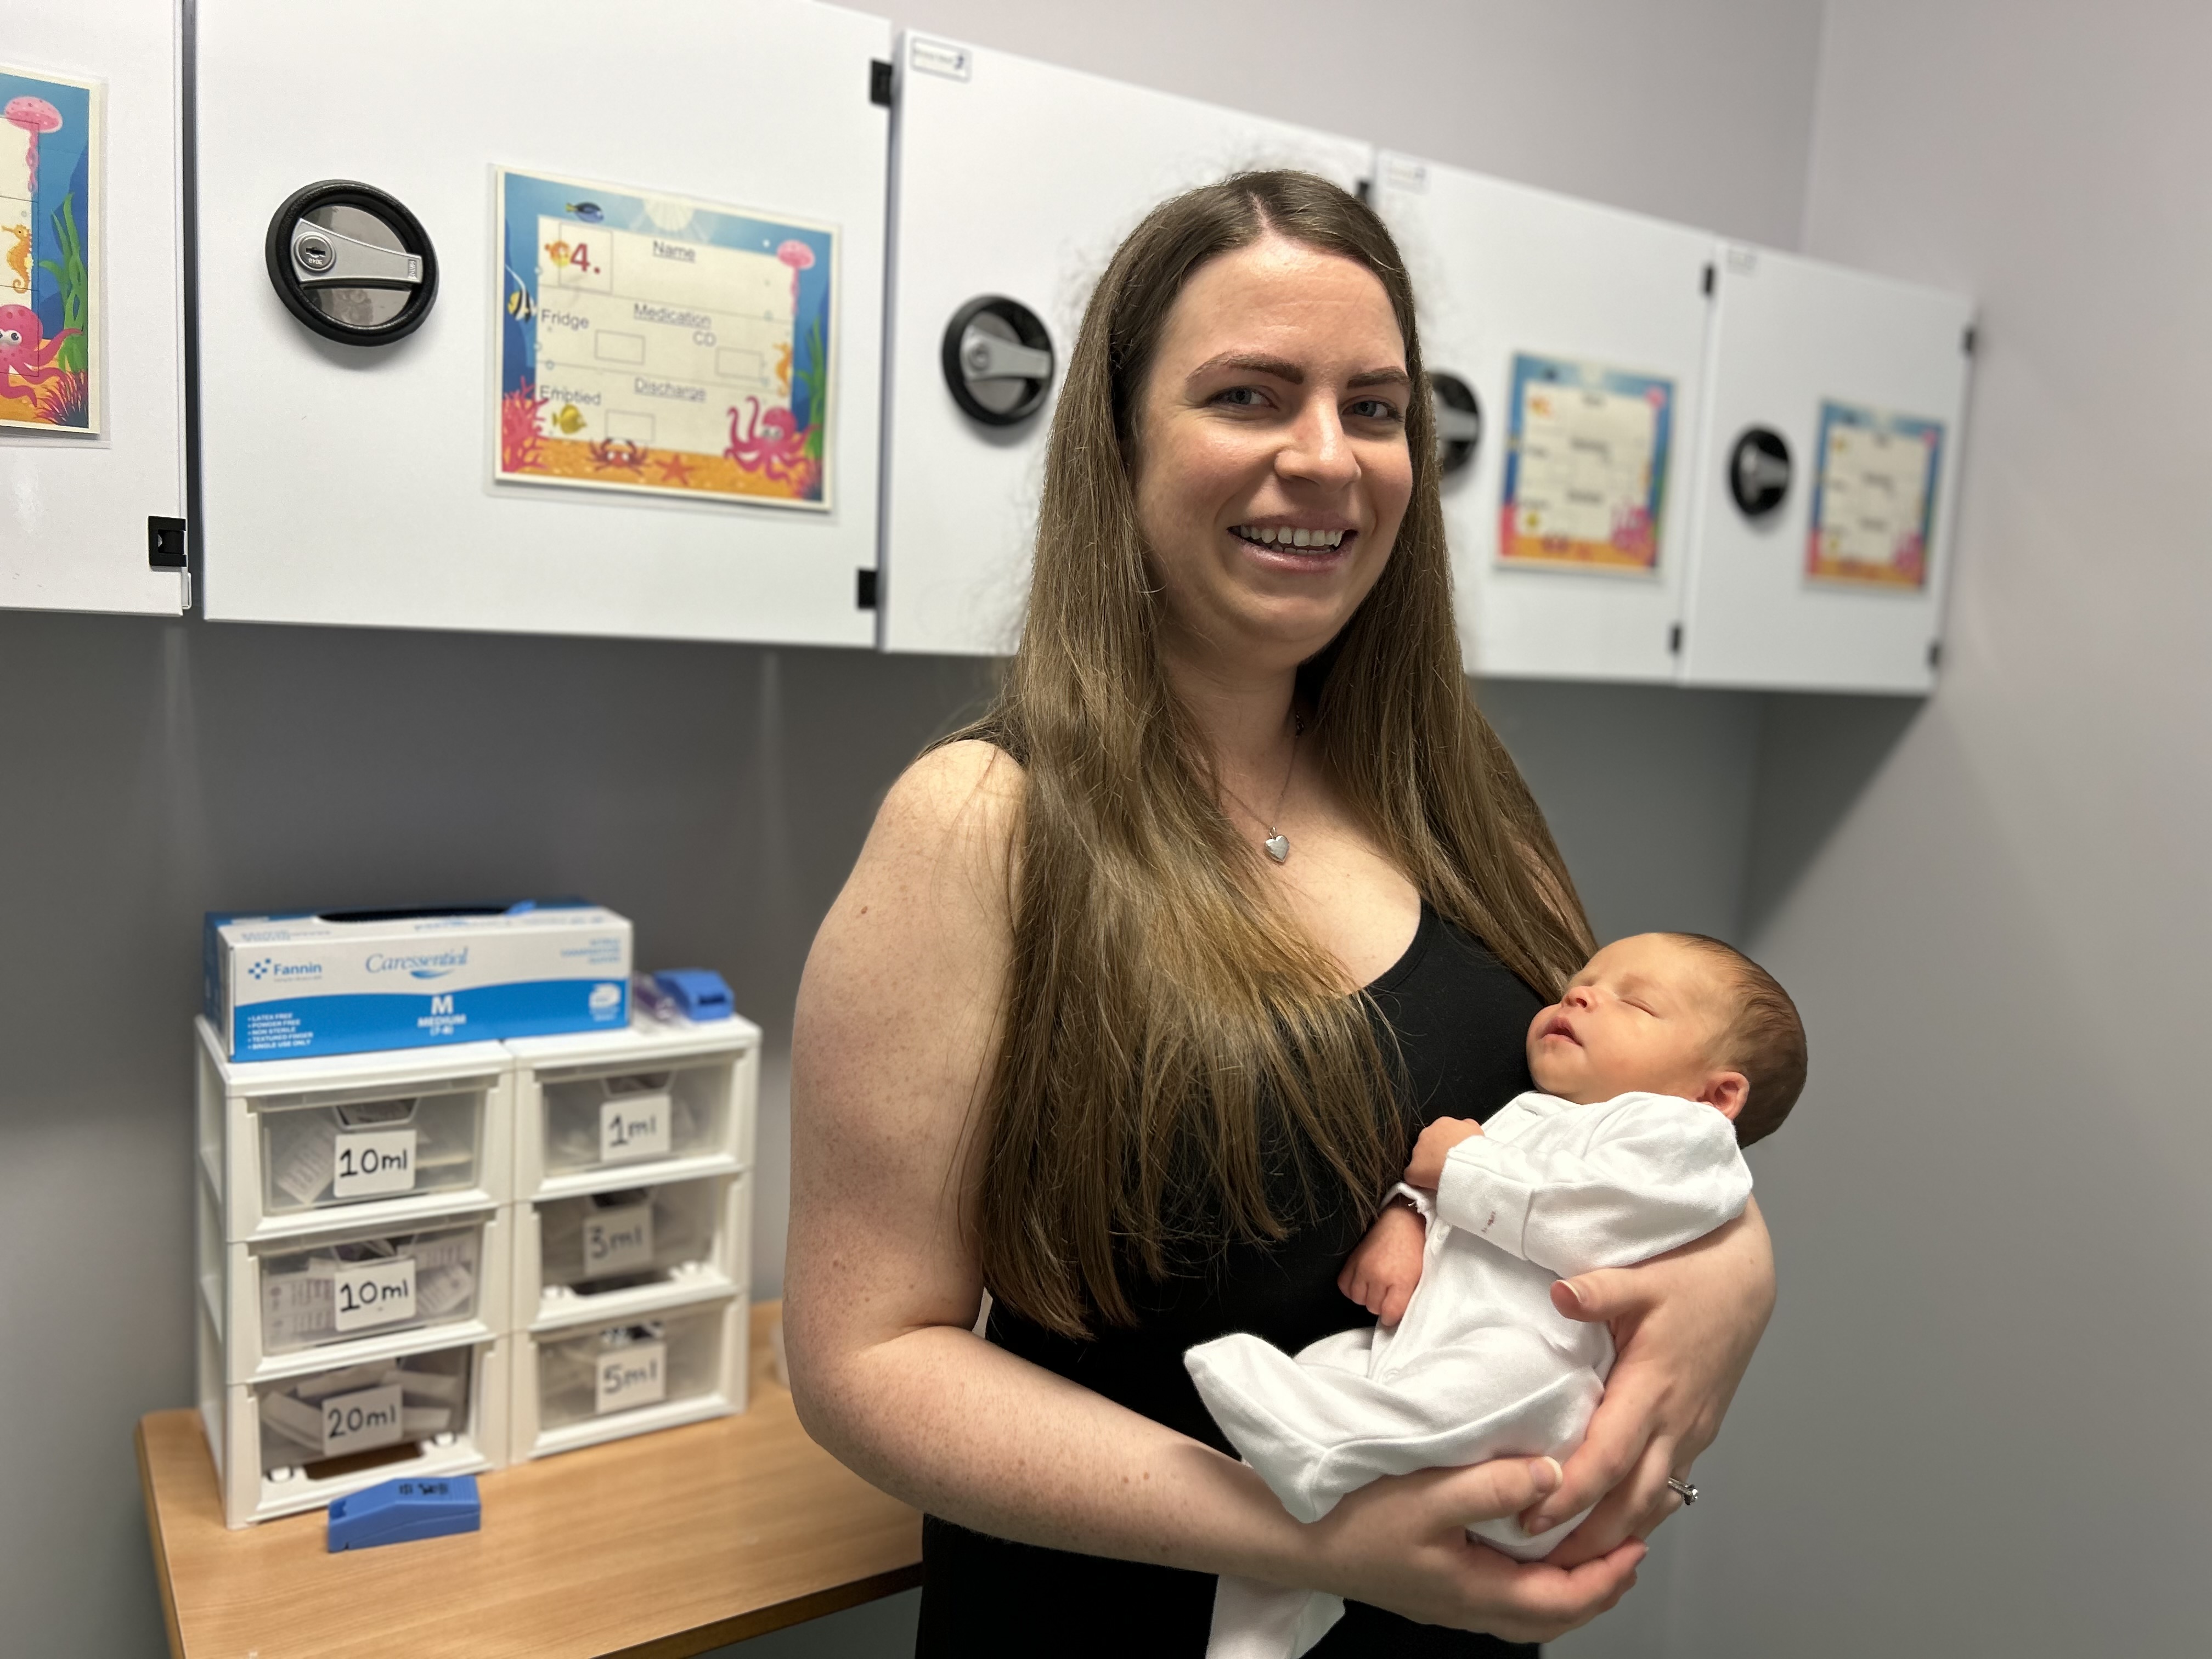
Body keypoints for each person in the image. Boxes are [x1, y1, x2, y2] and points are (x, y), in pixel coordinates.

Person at [785, 170, 1776, 1656]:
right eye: (1249, 395)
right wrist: (1303, 1527)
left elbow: (1593, 1116)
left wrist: (1730, 1271)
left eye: (1375, 409)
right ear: (1121, 446)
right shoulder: (986, 825)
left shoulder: (1462, 800)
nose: (1326, 460)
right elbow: (866, 1358)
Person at [1190, 933, 1805, 1658]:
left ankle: (1318, 1436)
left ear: (1718, 1093)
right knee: (1319, 1400)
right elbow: (1460, 1199)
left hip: (1541, 1391)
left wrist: (1458, 1167)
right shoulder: (1533, 1115)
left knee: (1492, 1378)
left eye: (1634, 1002)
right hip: (1421, 1345)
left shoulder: (1683, 1139)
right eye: (1580, 981)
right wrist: (1408, 1215)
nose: (1581, 995)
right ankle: (1251, 1640)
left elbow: (1586, 1218)